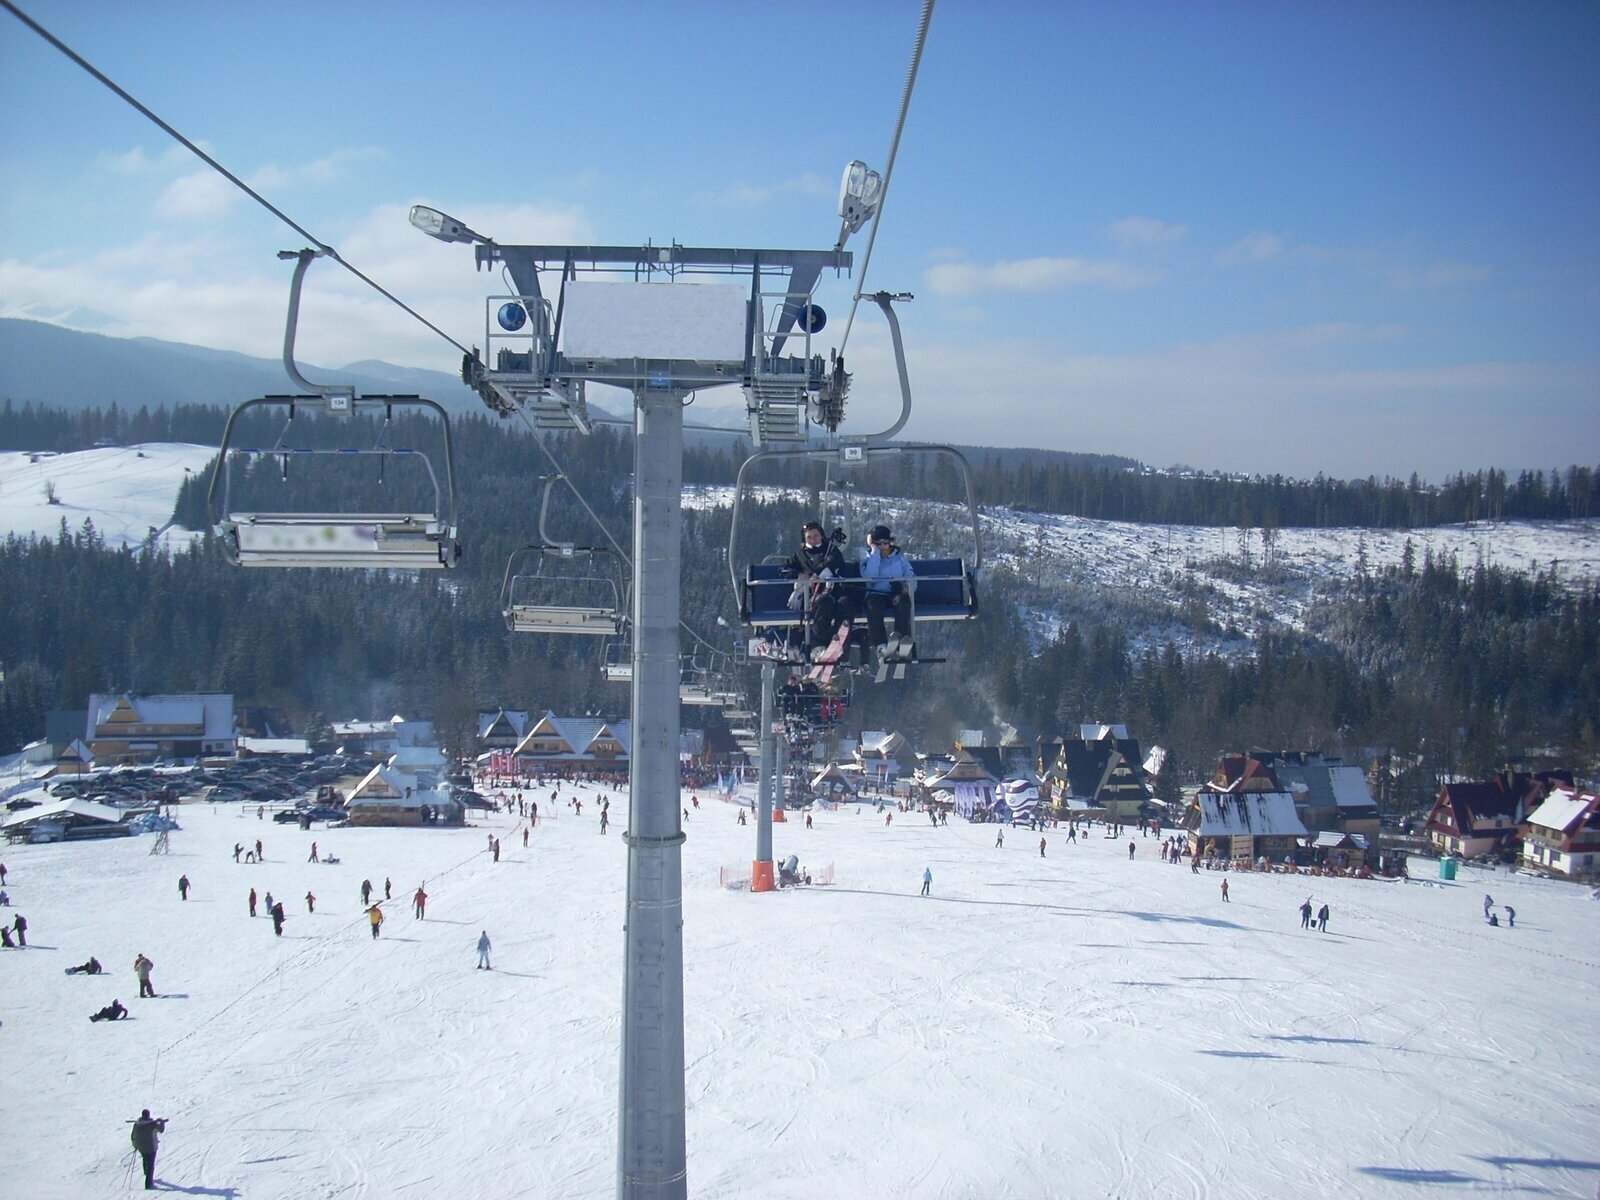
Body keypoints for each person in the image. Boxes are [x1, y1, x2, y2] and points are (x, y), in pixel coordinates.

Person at [784, 520, 854, 659]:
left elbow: (835, 561)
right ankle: (818, 645)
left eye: (815, 536)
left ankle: (839, 643)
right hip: (813, 594)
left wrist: (819, 572)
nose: (813, 540)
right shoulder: (800, 555)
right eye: (809, 537)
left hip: (834, 590)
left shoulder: (830, 549)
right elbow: (784, 570)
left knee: (846, 604)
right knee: (823, 603)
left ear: (821, 535)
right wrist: (800, 575)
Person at [859, 524, 914, 656]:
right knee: (873, 607)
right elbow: (870, 577)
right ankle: (880, 644)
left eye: (885, 543)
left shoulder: (899, 558)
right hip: (876, 594)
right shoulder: (867, 558)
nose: (883, 546)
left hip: (895, 593)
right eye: (879, 544)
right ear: (872, 544)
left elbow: (911, 576)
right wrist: (875, 555)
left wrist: (906, 587)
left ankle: (901, 638)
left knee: (903, 603)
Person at [130, 1109, 167, 1189]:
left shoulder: (137, 1124)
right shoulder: (152, 1124)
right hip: (151, 1147)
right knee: (151, 1165)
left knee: (145, 1159)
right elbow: (161, 1130)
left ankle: (146, 1174)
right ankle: (148, 1184)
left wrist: (135, 1145)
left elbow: (133, 1135)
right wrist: (162, 1123)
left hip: (141, 1147)